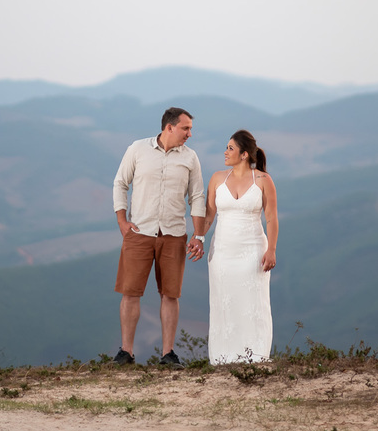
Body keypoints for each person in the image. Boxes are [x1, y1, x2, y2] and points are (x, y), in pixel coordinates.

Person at [112, 107, 207, 367]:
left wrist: (199, 236)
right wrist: (121, 221)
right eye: (186, 128)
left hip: (174, 234)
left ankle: (168, 354)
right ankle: (126, 352)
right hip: (139, 232)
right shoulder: (137, 149)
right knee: (130, 293)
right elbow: (120, 183)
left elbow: (197, 196)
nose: (190, 134)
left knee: (170, 294)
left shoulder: (190, 158)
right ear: (169, 127)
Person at [205, 129, 277, 364]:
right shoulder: (217, 178)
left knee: (252, 303)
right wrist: (198, 237)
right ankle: (223, 358)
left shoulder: (263, 180)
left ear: (244, 154)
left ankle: (255, 357)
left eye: (230, 148)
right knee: (223, 303)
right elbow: (208, 216)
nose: (225, 152)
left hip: (252, 250)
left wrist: (271, 249)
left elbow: (272, 218)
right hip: (222, 252)